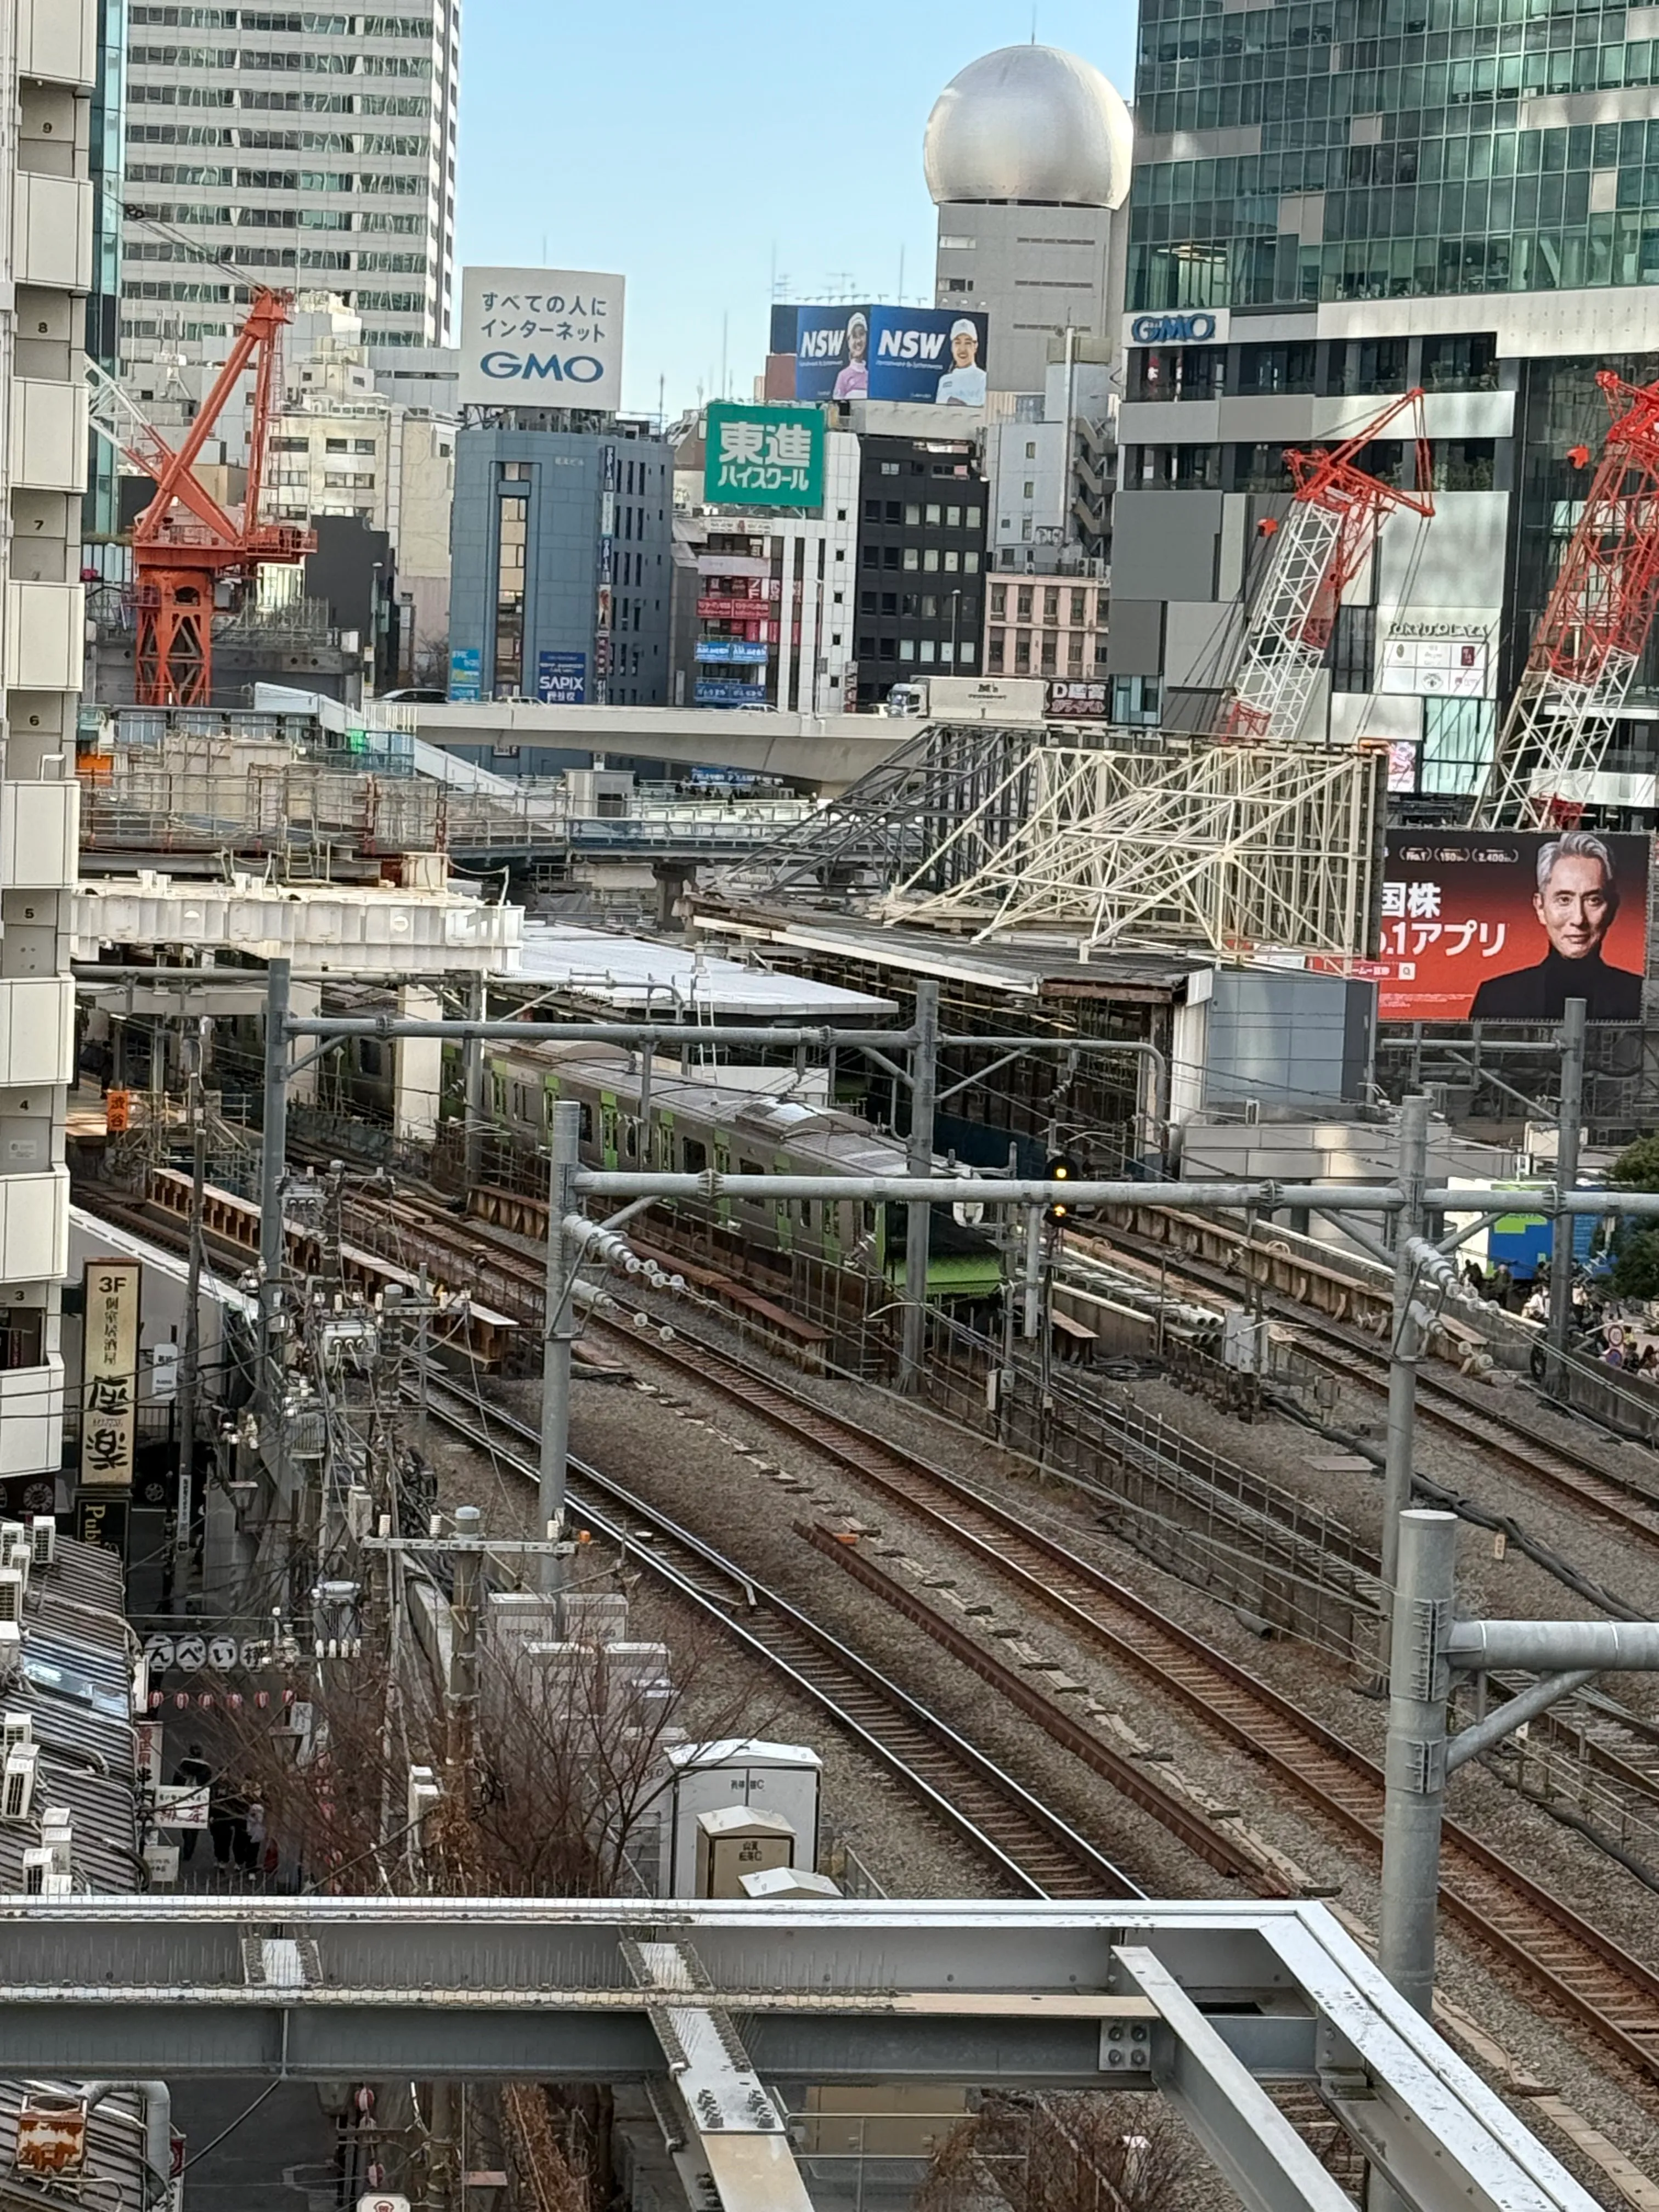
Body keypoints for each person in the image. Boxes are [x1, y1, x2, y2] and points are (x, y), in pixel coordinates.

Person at [1469, 829, 1643, 1021]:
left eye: (1593, 900)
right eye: (1564, 900)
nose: (1579, 919)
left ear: (1612, 909)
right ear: (1541, 907)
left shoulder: (1640, 998)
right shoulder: (1496, 999)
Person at [172, 1743, 211, 1864]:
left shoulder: (183, 1765)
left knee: (185, 1825)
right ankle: (189, 1850)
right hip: (199, 1802)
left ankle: (187, 1847)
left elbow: (176, 1782)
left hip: (184, 1798)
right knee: (194, 1828)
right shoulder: (206, 1769)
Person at [935, 319, 988, 407]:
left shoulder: (983, 379)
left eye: (967, 343)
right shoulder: (944, 380)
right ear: (952, 347)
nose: (962, 349)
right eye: (958, 343)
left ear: (975, 346)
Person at [831, 312, 868, 401]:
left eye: (862, 334)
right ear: (849, 341)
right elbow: (837, 406)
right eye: (854, 336)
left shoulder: (871, 376)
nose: (859, 341)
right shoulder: (843, 376)